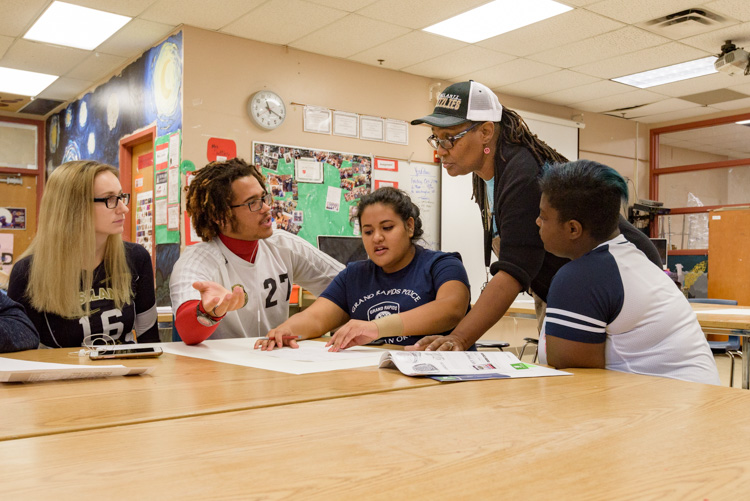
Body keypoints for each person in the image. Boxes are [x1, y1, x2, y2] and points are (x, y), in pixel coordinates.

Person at [408, 80, 662, 352]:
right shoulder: (487, 173)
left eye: (450, 138)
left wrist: (459, 338)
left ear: (485, 132)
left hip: (620, 282)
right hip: (567, 285)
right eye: (436, 137)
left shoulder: (524, 174)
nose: (440, 149)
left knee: (593, 378)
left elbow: (514, 270)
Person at [536, 159, 719, 384]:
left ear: (573, 228)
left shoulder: (581, 278)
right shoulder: (631, 259)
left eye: (544, 217)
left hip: (667, 410)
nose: (537, 222)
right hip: (695, 401)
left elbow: (575, 384)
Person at [256, 187, 471, 351]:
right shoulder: (354, 275)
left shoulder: (443, 265)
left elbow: (450, 309)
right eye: (368, 232)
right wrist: (286, 330)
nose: (377, 238)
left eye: (387, 228)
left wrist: (375, 327)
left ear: (409, 226)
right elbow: (316, 318)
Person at [169, 158, 344, 343]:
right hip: (221, 369)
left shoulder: (284, 245)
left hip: (278, 361)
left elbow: (348, 287)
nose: (267, 208)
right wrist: (208, 311)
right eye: (253, 203)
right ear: (219, 215)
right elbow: (187, 331)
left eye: (264, 198)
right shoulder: (196, 261)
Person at [8, 160, 158, 348]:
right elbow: (21, 353)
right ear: (73, 208)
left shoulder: (136, 258)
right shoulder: (27, 272)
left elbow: (150, 341)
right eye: (109, 199)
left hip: (125, 374)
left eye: (121, 197)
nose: (123, 208)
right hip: (58, 376)